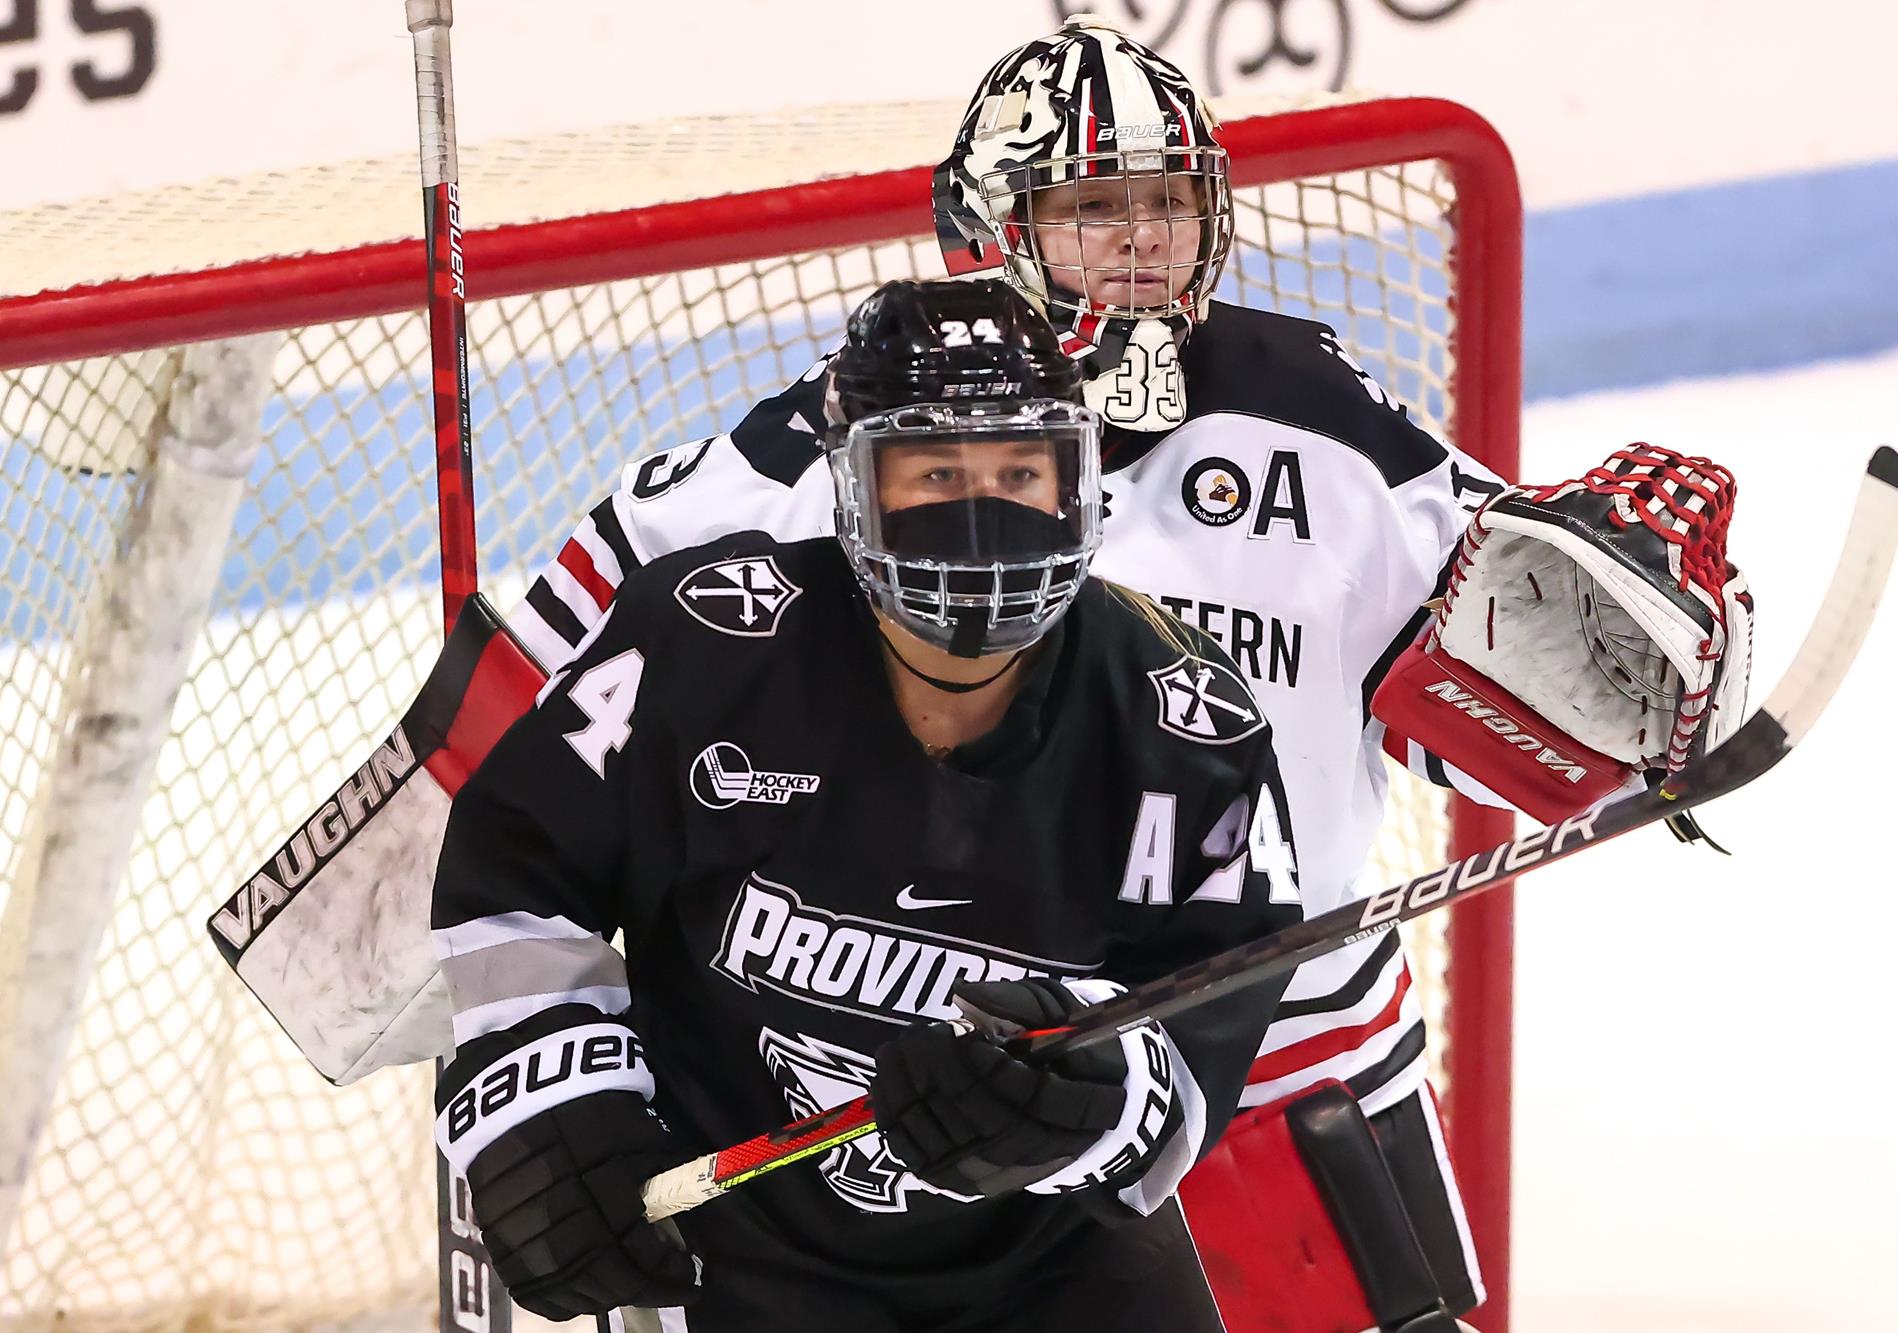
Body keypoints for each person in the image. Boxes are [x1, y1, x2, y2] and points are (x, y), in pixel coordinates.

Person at [508, 15, 1494, 1320]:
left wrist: (1655, 644)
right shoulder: (820, 462)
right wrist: (530, 1062)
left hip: (1284, 1075)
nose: (1145, 239)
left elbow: (1523, 683)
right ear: (986, 229)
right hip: (932, 1108)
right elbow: (515, 758)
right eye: (1094, 204)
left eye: (1168, 202)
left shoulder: (1321, 427)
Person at [431, 278, 1305, 1330]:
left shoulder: (1177, 718)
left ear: (1078, 483)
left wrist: (1083, 1097)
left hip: (1054, 1266)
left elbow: (1202, 1013)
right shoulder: (700, 648)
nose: (982, 516)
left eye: (1021, 471)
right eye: (934, 470)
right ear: (851, 486)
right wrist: (548, 1102)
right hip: (743, 1257)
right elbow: (517, 868)